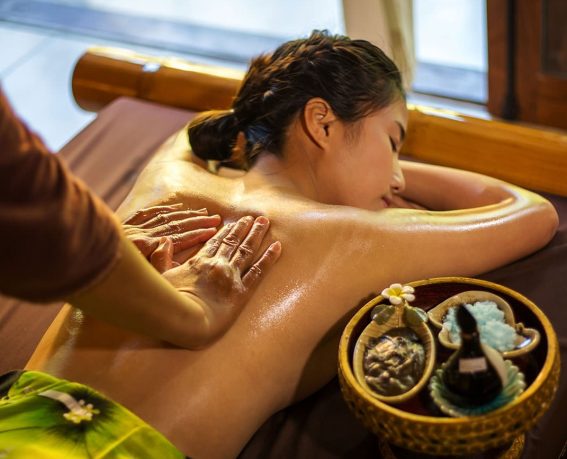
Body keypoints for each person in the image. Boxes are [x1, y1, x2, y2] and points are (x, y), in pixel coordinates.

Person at [7, 31, 558, 458]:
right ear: (321, 122)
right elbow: (532, 214)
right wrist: (398, 182)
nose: (395, 178)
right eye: (392, 143)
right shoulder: (355, 236)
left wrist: (333, 150)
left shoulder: (166, 180)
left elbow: (198, 129)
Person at [0, 85, 281, 349]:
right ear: (321, 121)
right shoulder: (317, 224)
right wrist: (195, 318)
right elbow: (29, 202)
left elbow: (186, 137)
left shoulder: (172, 174)